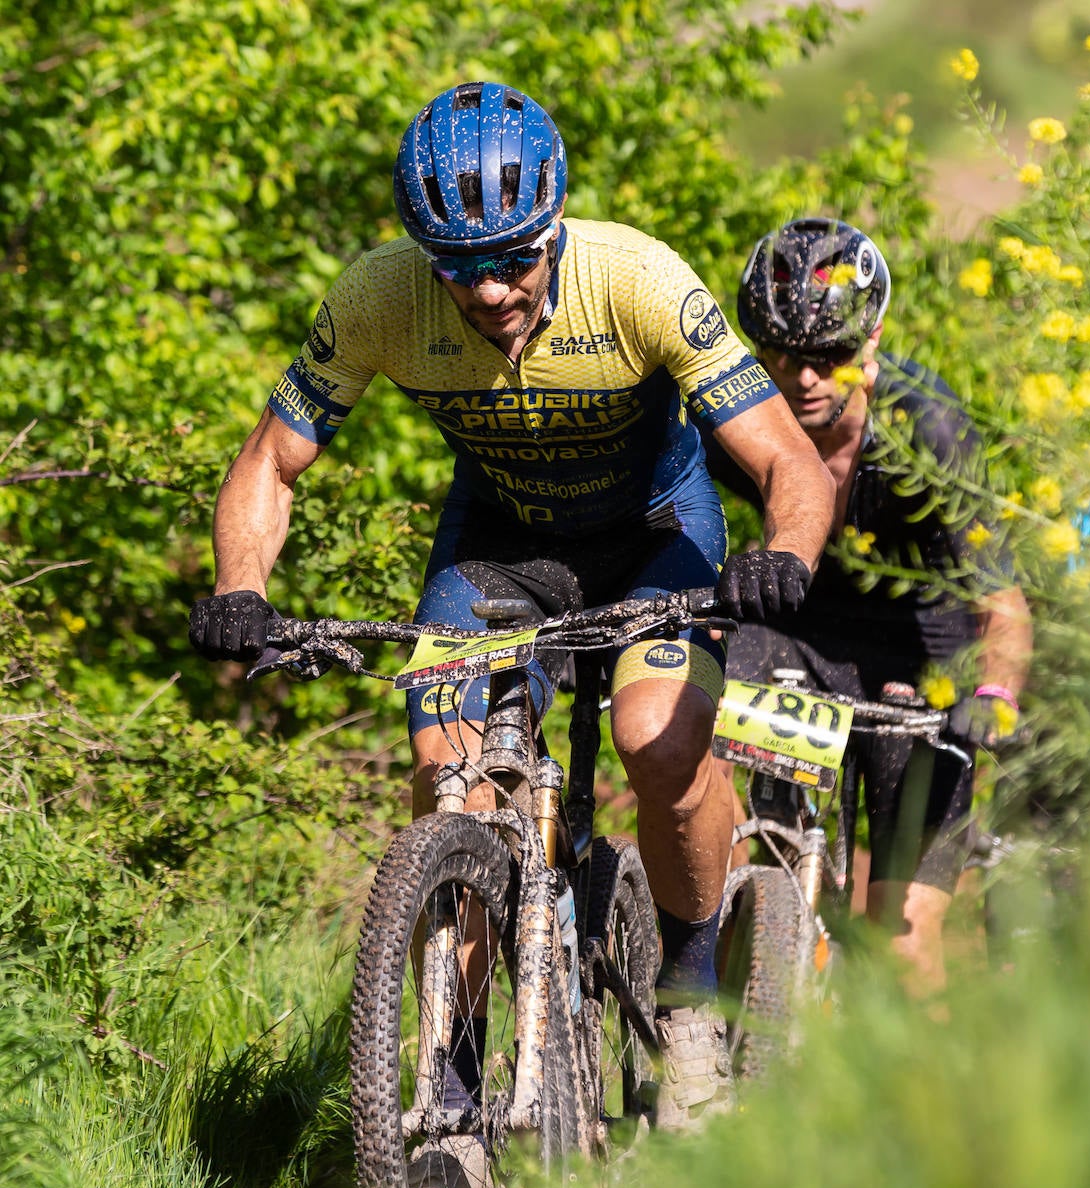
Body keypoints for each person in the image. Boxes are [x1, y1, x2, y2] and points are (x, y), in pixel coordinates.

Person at [189, 82, 834, 1132]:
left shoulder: (640, 280)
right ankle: (451, 1071)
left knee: (656, 744)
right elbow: (271, 461)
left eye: (516, 258)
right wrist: (239, 590)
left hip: (655, 542)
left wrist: (787, 554)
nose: (490, 291)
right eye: (460, 267)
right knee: (450, 778)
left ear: (556, 227)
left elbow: (785, 460)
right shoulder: (378, 298)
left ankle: (688, 1006)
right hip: (500, 553)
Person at [706, 216, 1032, 997]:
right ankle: (711, 1051)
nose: (804, 379)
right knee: (761, 877)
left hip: (924, 662)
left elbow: (1004, 605)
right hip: (798, 644)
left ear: (873, 341)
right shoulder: (734, 419)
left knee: (902, 947)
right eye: (781, 356)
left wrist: (994, 696)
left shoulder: (930, 427)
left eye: (831, 358)